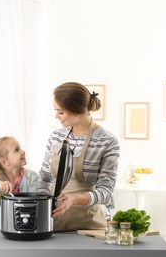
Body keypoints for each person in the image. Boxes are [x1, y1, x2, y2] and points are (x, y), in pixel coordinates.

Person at [39, 82, 120, 231]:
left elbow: (106, 192)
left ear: (77, 111)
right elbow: (45, 178)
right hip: (54, 222)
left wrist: (75, 199)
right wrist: (43, 207)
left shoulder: (106, 141)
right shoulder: (56, 137)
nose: (56, 116)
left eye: (61, 112)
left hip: (90, 224)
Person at [0, 136, 39, 230]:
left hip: (25, 228)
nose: (23, 152)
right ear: (5, 161)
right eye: (17, 150)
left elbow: (33, 201)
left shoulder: (31, 177)